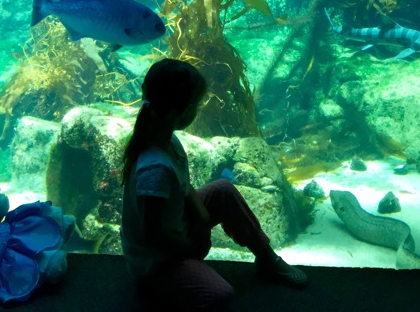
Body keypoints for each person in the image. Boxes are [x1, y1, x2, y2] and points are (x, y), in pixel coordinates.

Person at [121, 58, 307, 311]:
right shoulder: (154, 168)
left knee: (222, 189)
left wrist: (202, 219)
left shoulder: (169, 141)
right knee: (219, 295)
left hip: (175, 227)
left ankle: (266, 257)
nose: (198, 109)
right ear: (183, 110)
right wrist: (190, 247)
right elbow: (152, 233)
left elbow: (185, 188)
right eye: (196, 104)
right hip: (156, 260)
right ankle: (156, 289)